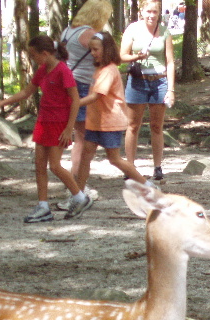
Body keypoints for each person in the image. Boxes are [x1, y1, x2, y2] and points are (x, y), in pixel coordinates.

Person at [0, 35, 92, 223]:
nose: (32, 58)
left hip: (59, 123)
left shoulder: (62, 70)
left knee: (55, 166)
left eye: (33, 55)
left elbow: (75, 100)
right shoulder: (43, 69)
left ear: (44, 53)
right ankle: (43, 206)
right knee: (39, 166)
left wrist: (69, 128)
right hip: (43, 121)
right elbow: (26, 92)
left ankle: (79, 196)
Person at [75, 32, 154, 200]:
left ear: (107, 49)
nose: (93, 53)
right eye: (91, 50)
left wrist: (73, 104)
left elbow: (97, 95)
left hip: (110, 121)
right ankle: (78, 195)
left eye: (96, 49)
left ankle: (147, 186)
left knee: (115, 159)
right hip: (95, 121)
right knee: (85, 157)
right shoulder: (99, 69)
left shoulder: (109, 71)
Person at [58, 0, 113, 210]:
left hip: (68, 84)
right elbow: (108, 58)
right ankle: (77, 186)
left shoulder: (67, 31)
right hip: (82, 86)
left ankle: (75, 184)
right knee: (82, 139)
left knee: (76, 137)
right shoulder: (89, 34)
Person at [120, 0, 175, 181]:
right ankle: (130, 166)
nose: (152, 15)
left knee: (156, 126)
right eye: (149, 11)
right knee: (133, 125)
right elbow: (122, 56)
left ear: (159, 13)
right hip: (137, 81)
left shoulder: (164, 31)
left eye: (155, 12)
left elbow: (170, 62)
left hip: (159, 82)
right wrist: (137, 56)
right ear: (142, 12)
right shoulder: (133, 29)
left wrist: (171, 89)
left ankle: (157, 166)